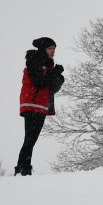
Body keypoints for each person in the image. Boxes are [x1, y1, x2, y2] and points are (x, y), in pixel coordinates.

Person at [16, 36, 65, 176]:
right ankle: (23, 169)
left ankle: (22, 168)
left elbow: (52, 88)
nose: (53, 51)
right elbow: (40, 81)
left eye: (54, 49)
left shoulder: (48, 64)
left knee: (31, 139)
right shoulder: (35, 60)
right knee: (30, 139)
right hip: (32, 104)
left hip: (40, 105)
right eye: (50, 48)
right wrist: (55, 73)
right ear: (43, 49)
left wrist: (59, 77)